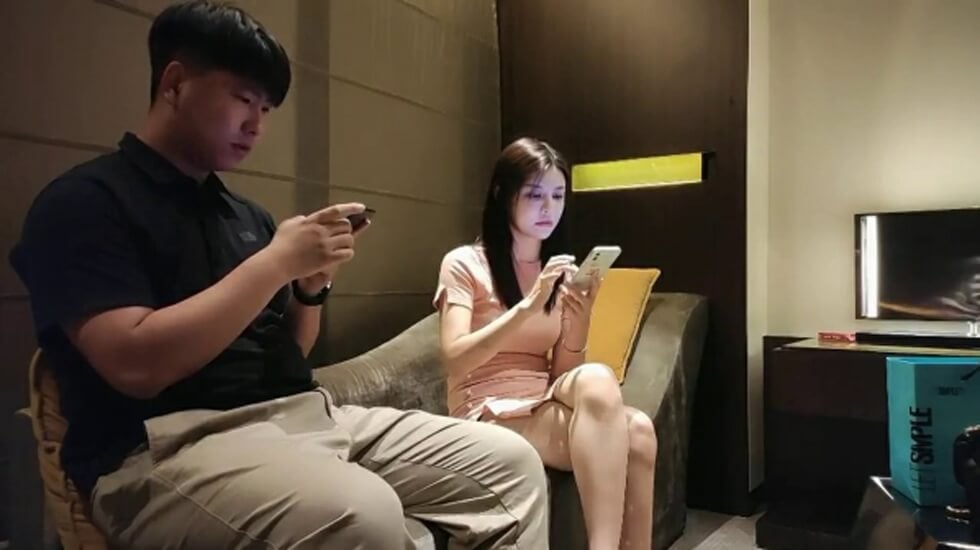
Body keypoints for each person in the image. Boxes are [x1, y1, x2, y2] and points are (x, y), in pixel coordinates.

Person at [10, 2, 547, 548]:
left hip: (302, 416)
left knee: (509, 464)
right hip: (165, 446)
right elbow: (135, 364)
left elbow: (289, 350)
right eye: (243, 100)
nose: (256, 125)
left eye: (266, 108)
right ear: (174, 84)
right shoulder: (86, 203)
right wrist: (276, 263)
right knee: (362, 514)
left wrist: (310, 287)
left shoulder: (245, 217)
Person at [434, 137, 658, 550]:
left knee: (638, 427)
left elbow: (561, 376)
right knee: (624, 421)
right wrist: (526, 307)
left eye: (558, 195)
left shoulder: (556, 269)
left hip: (540, 398)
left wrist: (580, 321)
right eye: (535, 195)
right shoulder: (464, 263)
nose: (548, 208)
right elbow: (454, 359)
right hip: (483, 409)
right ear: (502, 194)